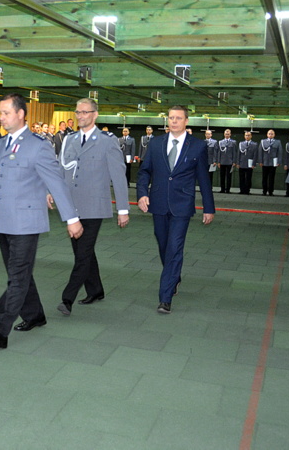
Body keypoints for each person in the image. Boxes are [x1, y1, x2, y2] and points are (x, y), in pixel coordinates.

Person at [0, 93, 82, 349]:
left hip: (26, 221)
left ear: (21, 114)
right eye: (0, 113)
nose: (1, 117)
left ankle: (0, 329)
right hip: (2, 220)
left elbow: (56, 182)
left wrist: (72, 218)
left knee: (18, 277)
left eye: (6, 113)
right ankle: (34, 315)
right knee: (18, 273)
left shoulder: (38, 145)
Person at [137, 106, 215, 314]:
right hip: (158, 203)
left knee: (174, 247)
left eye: (178, 118)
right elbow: (144, 171)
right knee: (163, 244)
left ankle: (165, 298)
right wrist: (142, 193)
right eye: (171, 118)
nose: (174, 121)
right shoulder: (156, 143)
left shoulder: (198, 146)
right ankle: (174, 276)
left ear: (186, 121)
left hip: (182, 206)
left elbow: (204, 179)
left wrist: (208, 208)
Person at [55, 98, 129, 316]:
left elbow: (118, 175)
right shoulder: (69, 139)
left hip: (95, 206)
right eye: (78, 112)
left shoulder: (107, 141)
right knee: (83, 251)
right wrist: (52, 192)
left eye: (85, 112)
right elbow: (61, 169)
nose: (80, 116)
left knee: (83, 253)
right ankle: (95, 290)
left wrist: (123, 209)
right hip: (72, 206)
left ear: (95, 115)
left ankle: (67, 298)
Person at [258, 130, 282, 196]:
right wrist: (260, 161)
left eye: (272, 134)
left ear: (274, 135)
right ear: (267, 134)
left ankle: (271, 191)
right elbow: (260, 152)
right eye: (269, 133)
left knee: (272, 178)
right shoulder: (263, 141)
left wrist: (279, 161)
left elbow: (279, 152)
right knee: (264, 177)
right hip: (265, 162)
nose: (270, 135)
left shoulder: (277, 142)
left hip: (273, 162)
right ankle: (264, 191)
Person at [216, 129, 237, 193]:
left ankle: (228, 189)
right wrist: (218, 161)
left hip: (230, 162)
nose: (227, 135)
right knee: (222, 176)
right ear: (224, 134)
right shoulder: (220, 142)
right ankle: (222, 189)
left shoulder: (233, 142)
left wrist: (234, 161)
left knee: (229, 176)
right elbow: (219, 152)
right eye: (226, 134)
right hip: (222, 162)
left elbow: (234, 152)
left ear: (230, 134)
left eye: (228, 134)